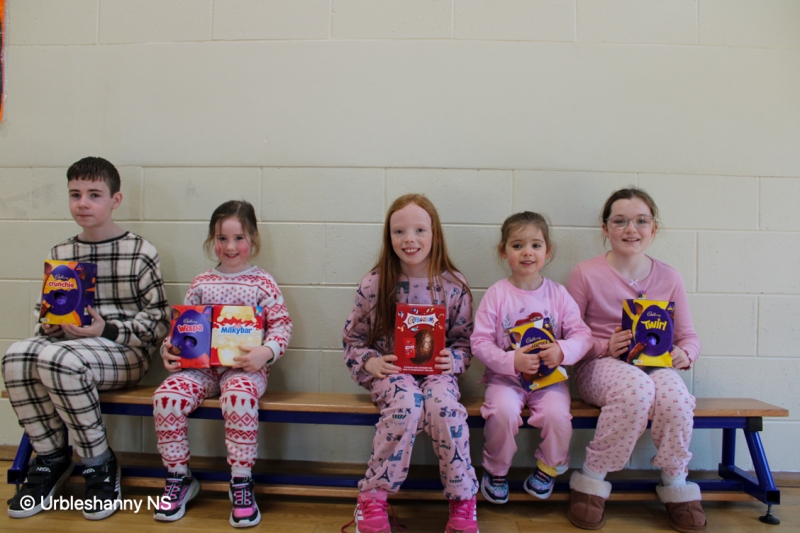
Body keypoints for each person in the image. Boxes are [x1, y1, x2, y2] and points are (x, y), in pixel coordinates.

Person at [3, 156, 170, 519]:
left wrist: (105, 329)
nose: (83, 203)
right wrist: (49, 325)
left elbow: (159, 323)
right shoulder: (61, 254)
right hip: (68, 348)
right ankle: (51, 458)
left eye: (94, 194)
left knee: (58, 358)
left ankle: (99, 463)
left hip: (124, 352)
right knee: (16, 356)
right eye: (75, 194)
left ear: (115, 200)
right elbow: (45, 314)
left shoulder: (140, 251)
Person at [565, 188, 706, 533]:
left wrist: (684, 354)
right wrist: (604, 345)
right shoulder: (585, 273)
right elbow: (568, 337)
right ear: (605, 228)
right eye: (620, 221)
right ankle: (592, 479)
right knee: (636, 389)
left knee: (676, 397)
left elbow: (689, 337)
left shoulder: (670, 277)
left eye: (641, 220)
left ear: (653, 228)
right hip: (599, 367)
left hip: (655, 365)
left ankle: (676, 482)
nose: (631, 229)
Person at [342, 194, 479, 533]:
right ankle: (372, 498)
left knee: (445, 408)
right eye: (399, 231)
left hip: (437, 375)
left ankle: (463, 502)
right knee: (406, 404)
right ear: (389, 236)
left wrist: (454, 359)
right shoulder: (375, 283)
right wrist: (371, 363)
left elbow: (465, 342)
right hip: (393, 373)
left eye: (420, 230)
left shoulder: (454, 285)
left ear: (435, 234)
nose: (410, 239)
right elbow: (353, 341)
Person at [151, 200, 292, 528]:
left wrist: (266, 352)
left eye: (238, 238)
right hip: (200, 370)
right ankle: (179, 476)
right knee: (166, 397)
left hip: (244, 369)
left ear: (253, 239)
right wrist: (169, 349)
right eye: (221, 238)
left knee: (239, 397)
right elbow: (183, 329)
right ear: (211, 240)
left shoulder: (262, 283)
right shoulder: (201, 283)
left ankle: (241, 481)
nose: (230, 247)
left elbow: (282, 326)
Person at [471, 211, 592, 504]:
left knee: (557, 416)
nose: (527, 252)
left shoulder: (558, 294)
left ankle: (548, 468)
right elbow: (480, 342)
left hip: (549, 381)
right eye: (517, 245)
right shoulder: (497, 294)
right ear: (503, 251)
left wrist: (562, 350)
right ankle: (496, 471)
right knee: (502, 412)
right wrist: (511, 362)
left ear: (547, 251)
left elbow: (582, 335)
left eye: (536, 245)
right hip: (506, 379)